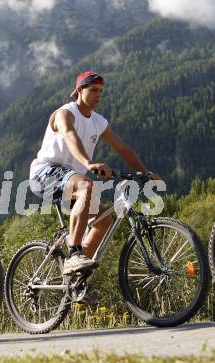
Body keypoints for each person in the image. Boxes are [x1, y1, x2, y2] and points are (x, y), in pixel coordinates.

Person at [29, 71, 156, 279]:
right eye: (94, 90)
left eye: (101, 91)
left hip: (71, 179)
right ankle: (74, 254)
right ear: (79, 90)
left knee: (104, 222)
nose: (98, 95)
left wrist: (144, 173)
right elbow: (70, 135)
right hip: (45, 173)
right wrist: (88, 163)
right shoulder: (65, 113)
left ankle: (75, 279)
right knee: (87, 186)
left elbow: (122, 147)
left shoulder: (98, 122)